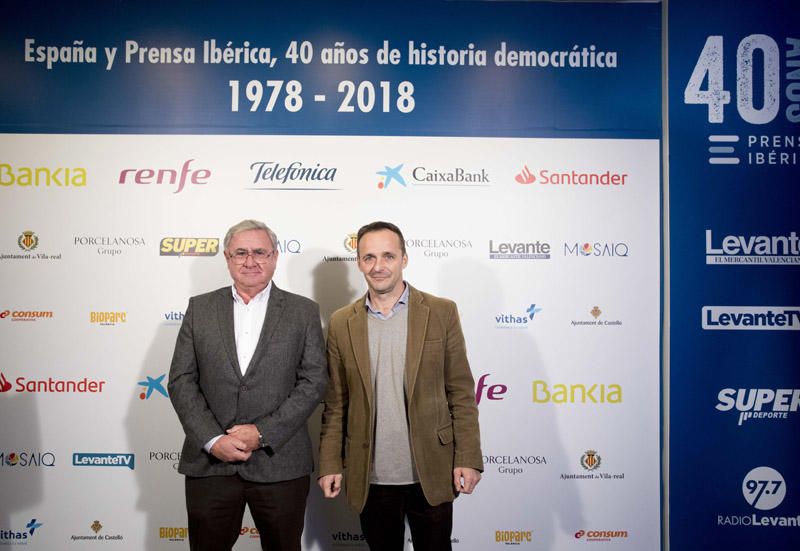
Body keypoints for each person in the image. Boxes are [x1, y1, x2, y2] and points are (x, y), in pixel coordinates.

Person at [318, 221, 483, 551]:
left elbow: (461, 393)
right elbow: (336, 403)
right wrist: (330, 463)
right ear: (359, 263)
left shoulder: (441, 311)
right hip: (371, 475)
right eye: (369, 258)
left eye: (388, 256)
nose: (378, 267)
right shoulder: (340, 322)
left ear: (404, 259)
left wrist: (468, 456)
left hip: (431, 469)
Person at [168, 219, 327, 551]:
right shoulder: (200, 308)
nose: (250, 261)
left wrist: (262, 433)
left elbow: (313, 382)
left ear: (274, 256)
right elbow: (182, 380)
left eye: (259, 252)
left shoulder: (303, 311)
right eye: (240, 253)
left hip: (280, 462)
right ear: (227, 257)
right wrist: (213, 439)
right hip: (211, 463)